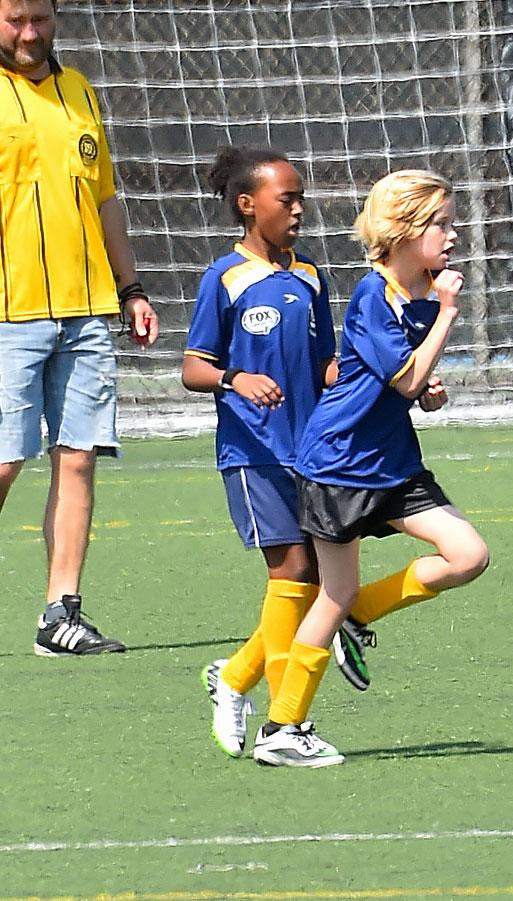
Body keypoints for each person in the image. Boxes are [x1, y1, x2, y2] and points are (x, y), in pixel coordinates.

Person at [252, 169, 489, 767]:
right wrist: (447, 316)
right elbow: (403, 374)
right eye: (440, 223)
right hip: (340, 464)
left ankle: (359, 616)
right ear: (406, 230)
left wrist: (428, 390)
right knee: (332, 590)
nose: (451, 234)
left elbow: (409, 382)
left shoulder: (420, 290)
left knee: (468, 555)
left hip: (392, 464)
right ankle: (283, 729)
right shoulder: (374, 293)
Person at [0, 0, 158, 655]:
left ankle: (60, 614)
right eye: (14, 20)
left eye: (39, 19)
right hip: (7, 315)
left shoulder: (79, 91)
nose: (29, 33)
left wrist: (130, 288)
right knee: (5, 461)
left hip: (87, 309)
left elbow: (104, 200)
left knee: (78, 457)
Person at [182, 146, 338, 757]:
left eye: (300, 198)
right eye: (287, 198)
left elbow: (325, 360)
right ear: (248, 204)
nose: (298, 209)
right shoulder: (224, 279)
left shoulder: (309, 275)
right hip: (253, 452)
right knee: (292, 570)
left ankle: (236, 676)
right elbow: (194, 366)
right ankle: (285, 724)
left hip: (312, 449)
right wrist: (234, 379)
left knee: (317, 578)